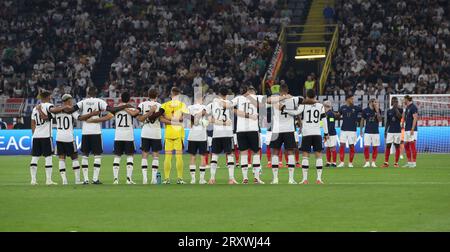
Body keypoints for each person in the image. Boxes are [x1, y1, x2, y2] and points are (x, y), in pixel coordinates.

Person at [70, 87, 130, 184]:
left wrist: (79, 117)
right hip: (96, 132)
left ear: (87, 93)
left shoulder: (83, 102)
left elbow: (72, 109)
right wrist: (124, 106)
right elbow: (111, 109)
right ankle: (95, 179)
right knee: (97, 155)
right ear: (96, 93)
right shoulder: (99, 101)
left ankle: (85, 179)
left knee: (85, 155)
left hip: (85, 131)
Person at [87, 92, 138, 184]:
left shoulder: (116, 109)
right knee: (130, 156)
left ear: (121, 98)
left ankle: (115, 179)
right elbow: (136, 116)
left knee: (117, 156)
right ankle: (129, 179)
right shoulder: (131, 108)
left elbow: (106, 118)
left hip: (118, 136)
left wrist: (94, 120)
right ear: (129, 99)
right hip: (129, 136)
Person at [282, 89, 328, 184]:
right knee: (318, 155)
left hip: (306, 133)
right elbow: (324, 121)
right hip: (317, 133)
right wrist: (326, 133)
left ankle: (304, 179)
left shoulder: (303, 105)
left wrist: (284, 109)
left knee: (305, 156)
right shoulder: (320, 106)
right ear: (315, 96)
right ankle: (319, 179)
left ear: (307, 96)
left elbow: (295, 113)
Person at [52, 94, 98, 185]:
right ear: (68, 101)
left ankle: (64, 181)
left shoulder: (57, 110)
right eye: (71, 100)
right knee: (74, 158)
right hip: (69, 137)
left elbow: (50, 114)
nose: (72, 102)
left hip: (59, 137)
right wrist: (91, 114)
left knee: (61, 159)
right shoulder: (72, 110)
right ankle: (77, 180)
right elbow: (80, 118)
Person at [29, 90, 70, 185]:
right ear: (48, 97)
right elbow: (52, 111)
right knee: (48, 157)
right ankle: (48, 180)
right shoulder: (48, 105)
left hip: (36, 136)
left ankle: (33, 180)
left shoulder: (35, 109)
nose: (51, 98)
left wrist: (34, 134)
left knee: (35, 157)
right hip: (46, 136)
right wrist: (64, 106)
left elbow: (32, 123)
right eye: (50, 96)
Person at [267, 84, 303, 184]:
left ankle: (275, 179)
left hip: (277, 130)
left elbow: (267, 100)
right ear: (288, 90)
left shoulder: (275, 98)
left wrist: (281, 97)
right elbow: (300, 107)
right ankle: (291, 179)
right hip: (289, 129)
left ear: (279, 90)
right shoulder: (293, 99)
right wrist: (300, 123)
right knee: (290, 152)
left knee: (275, 153)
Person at [229, 86, 265, 184]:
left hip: (240, 130)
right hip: (253, 129)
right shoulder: (258, 97)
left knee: (243, 154)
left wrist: (238, 112)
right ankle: (256, 178)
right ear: (253, 91)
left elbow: (230, 107)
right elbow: (262, 106)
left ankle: (245, 178)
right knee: (256, 153)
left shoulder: (238, 98)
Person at [205, 87, 236, 184]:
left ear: (219, 93)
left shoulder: (212, 104)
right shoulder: (230, 104)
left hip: (216, 134)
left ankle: (212, 178)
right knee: (230, 155)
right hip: (228, 133)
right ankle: (231, 179)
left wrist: (216, 121)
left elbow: (207, 118)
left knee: (214, 155)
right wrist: (224, 122)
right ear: (227, 94)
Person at [159, 87, 190, 184]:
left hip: (168, 134)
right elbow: (181, 119)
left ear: (170, 95)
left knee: (167, 157)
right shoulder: (182, 105)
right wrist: (174, 120)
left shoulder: (164, 105)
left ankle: (166, 179)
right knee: (179, 157)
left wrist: (168, 119)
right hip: (178, 134)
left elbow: (161, 119)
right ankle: (180, 178)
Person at [136, 88, 164, 184]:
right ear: (157, 96)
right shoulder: (160, 106)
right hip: (156, 133)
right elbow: (161, 119)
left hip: (145, 132)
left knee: (144, 155)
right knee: (155, 155)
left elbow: (139, 118)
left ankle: (144, 179)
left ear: (148, 95)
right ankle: (153, 179)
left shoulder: (142, 105)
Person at [187, 94, 208, 184]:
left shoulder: (190, 107)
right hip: (202, 136)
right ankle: (202, 179)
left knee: (192, 157)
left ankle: (193, 179)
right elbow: (207, 122)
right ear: (201, 99)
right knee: (203, 157)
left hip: (192, 135)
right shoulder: (205, 107)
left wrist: (195, 118)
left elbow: (189, 121)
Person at [336, 94, 362, 168]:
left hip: (352, 130)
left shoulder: (356, 108)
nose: (352, 100)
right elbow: (338, 116)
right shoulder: (342, 108)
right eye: (351, 99)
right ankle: (341, 162)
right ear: (347, 99)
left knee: (351, 146)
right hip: (343, 129)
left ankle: (350, 163)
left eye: (353, 99)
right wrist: (335, 114)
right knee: (342, 145)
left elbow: (364, 112)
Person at [361, 98, 382, 167]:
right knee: (366, 146)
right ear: (371, 102)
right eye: (375, 102)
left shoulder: (378, 110)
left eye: (376, 102)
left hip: (375, 131)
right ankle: (367, 162)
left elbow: (380, 120)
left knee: (375, 147)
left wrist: (377, 111)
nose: (376, 103)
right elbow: (362, 120)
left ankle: (373, 162)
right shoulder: (365, 110)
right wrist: (361, 130)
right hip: (367, 131)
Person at [383, 97, 403, 168]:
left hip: (397, 131)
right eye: (393, 101)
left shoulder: (400, 110)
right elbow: (387, 122)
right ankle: (386, 163)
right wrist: (385, 131)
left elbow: (400, 117)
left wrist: (396, 109)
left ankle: (396, 163)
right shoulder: (388, 111)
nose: (395, 102)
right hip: (390, 131)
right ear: (391, 102)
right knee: (388, 146)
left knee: (397, 146)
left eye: (396, 101)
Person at [402, 95, 418, 168]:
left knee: (412, 145)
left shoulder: (413, 107)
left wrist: (412, 129)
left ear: (407, 99)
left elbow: (415, 118)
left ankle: (414, 163)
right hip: (406, 129)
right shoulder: (407, 107)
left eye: (404, 99)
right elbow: (405, 117)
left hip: (411, 129)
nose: (403, 101)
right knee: (406, 145)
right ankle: (409, 162)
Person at [323, 100, 338, 167]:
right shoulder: (327, 113)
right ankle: (328, 162)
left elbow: (331, 124)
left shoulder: (330, 114)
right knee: (328, 148)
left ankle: (334, 163)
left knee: (332, 148)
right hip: (327, 133)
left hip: (331, 133)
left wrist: (328, 133)